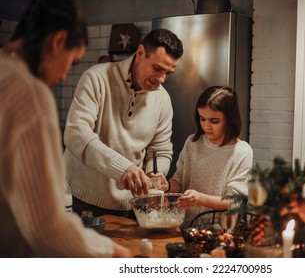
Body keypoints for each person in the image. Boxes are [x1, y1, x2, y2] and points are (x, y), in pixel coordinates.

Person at [0, 0, 131, 257]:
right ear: (58, 41)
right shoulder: (28, 92)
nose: (63, 77)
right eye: (72, 62)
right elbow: (46, 225)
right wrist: (112, 253)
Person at [63, 28, 184, 218]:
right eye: (158, 68)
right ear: (141, 53)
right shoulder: (97, 78)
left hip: (129, 207)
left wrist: (155, 175)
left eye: (168, 73)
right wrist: (123, 168)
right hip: (79, 199)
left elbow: (160, 150)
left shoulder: (163, 100)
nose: (161, 79)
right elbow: (76, 134)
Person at [165, 86, 253, 221]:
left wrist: (199, 198)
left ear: (230, 119)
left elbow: (233, 202)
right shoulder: (192, 142)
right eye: (202, 119)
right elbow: (180, 180)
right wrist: (167, 185)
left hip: (219, 230)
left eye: (214, 121)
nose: (206, 126)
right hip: (185, 224)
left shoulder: (242, 151)